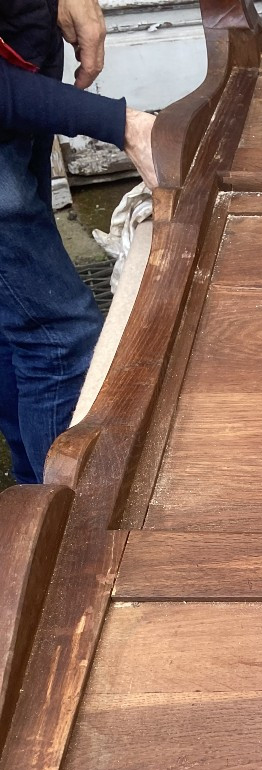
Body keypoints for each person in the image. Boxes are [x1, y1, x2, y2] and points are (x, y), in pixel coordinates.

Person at [0, 0, 156, 485]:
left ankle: (31, 486)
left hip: (19, 99)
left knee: (16, 327)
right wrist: (123, 125)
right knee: (60, 340)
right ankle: (58, 525)